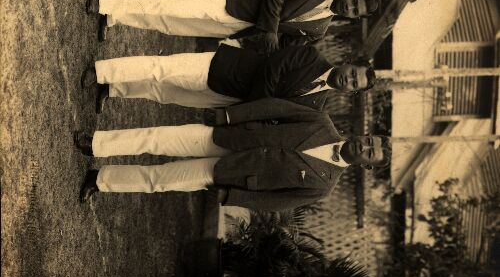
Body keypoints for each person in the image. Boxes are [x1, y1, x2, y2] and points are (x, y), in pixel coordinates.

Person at [74, 97, 389, 208]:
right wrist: (229, 116)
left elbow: (274, 202)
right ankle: (96, 143)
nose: (364, 146)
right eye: (369, 140)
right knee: (159, 139)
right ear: (364, 134)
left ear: (367, 166)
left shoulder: (323, 186)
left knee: (162, 180)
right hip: (231, 136)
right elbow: (274, 107)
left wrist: (232, 196)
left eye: (370, 153)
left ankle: (100, 179)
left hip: (233, 174)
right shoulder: (322, 122)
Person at [85, 0, 378, 46]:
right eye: (354, 1)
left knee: (170, 24)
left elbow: (285, 44)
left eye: (355, 11)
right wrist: (271, 29)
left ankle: (116, 17)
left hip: (238, 27)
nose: (349, 7)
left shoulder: (319, 30)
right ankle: (106, 3)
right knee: (169, 2)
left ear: (354, 18)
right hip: (234, 1)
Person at [79, 42, 376, 113]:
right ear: (347, 64)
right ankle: (102, 72)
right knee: (163, 68)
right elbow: (273, 67)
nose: (348, 80)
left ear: (350, 92)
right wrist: (259, 106)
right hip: (226, 68)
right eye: (353, 74)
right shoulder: (312, 56)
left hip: (229, 100)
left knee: (166, 94)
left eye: (354, 84)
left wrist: (249, 109)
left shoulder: (317, 104)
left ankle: (114, 89)